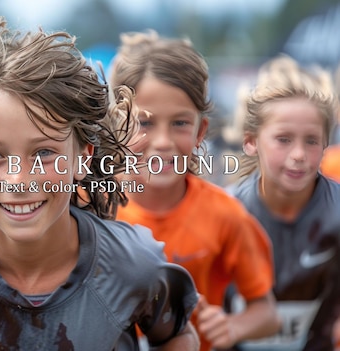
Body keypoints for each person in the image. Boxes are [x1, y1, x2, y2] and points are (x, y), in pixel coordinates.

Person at [0, 16, 200, 351]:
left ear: (81, 157)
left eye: (44, 152)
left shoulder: (133, 265)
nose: (19, 180)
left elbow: (177, 335)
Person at [109, 31, 280, 351]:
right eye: (144, 123)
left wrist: (232, 326)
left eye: (180, 123)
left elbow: (267, 312)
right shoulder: (92, 206)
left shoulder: (224, 214)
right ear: (118, 125)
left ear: (201, 131)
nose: (163, 142)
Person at [230, 55, 340, 350]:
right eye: (284, 139)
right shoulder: (226, 213)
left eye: (311, 140)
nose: (299, 154)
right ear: (251, 141)